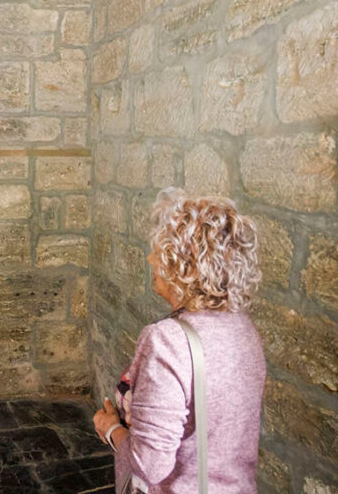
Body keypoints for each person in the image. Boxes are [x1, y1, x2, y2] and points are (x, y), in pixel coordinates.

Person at [93, 188, 266, 493]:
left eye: (158, 252)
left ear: (183, 264)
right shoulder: (245, 329)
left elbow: (151, 464)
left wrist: (112, 430)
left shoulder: (167, 341)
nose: (150, 258)